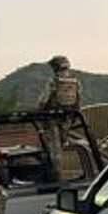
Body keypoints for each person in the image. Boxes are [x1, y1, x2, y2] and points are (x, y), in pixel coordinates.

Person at [39, 55, 79, 183]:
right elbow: (78, 100)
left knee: (54, 151)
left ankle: (57, 177)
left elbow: (44, 100)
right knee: (60, 148)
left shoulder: (54, 81)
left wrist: (39, 111)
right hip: (66, 119)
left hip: (53, 118)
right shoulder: (75, 81)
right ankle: (58, 176)